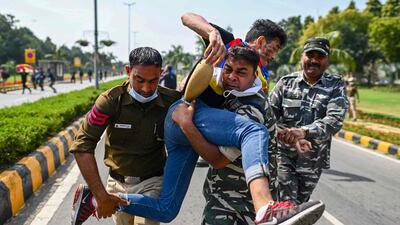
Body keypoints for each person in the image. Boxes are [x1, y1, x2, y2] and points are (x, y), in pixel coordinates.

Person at [72, 16, 325, 225]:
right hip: (191, 115)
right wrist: (212, 33)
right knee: (254, 132)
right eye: (272, 49)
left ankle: (92, 201)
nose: (232, 76)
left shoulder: (261, 80)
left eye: (241, 72)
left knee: (167, 209)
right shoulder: (228, 44)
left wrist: (283, 133)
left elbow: (258, 116)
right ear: (260, 41)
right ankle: (265, 207)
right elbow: (186, 17)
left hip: (189, 130)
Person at [175, 45, 312, 224]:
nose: (232, 76)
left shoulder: (249, 110)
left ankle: (267, 210)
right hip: (227, 197)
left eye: (241, 72)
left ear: (254, 76)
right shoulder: (234, 94)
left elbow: (217, 160)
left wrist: (187, 125)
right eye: (228, 69)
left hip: (241, 204)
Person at [70, 47, 181, 225]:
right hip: (118, 183)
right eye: (139, 80)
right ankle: (93, 198)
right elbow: (83, 145)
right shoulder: (110, 101)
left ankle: (90, 201)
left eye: (153, 81)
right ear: (128, 71)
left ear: (161, 73)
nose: (146, 88)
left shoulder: (172, 102)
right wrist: (102, 195)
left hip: (153, 182)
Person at [270, 37, 348, 205]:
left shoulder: (335, 85)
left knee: (300, 205)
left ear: (327, 60)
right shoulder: (286, 83)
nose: (313, 60)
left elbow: (334, 119)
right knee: (286, 204)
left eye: (319, 56)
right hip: (283, 156)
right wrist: (285, 133)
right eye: (309, 55)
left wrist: (303, 132)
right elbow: (268, 118)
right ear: (302, 57)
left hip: (313, 160)